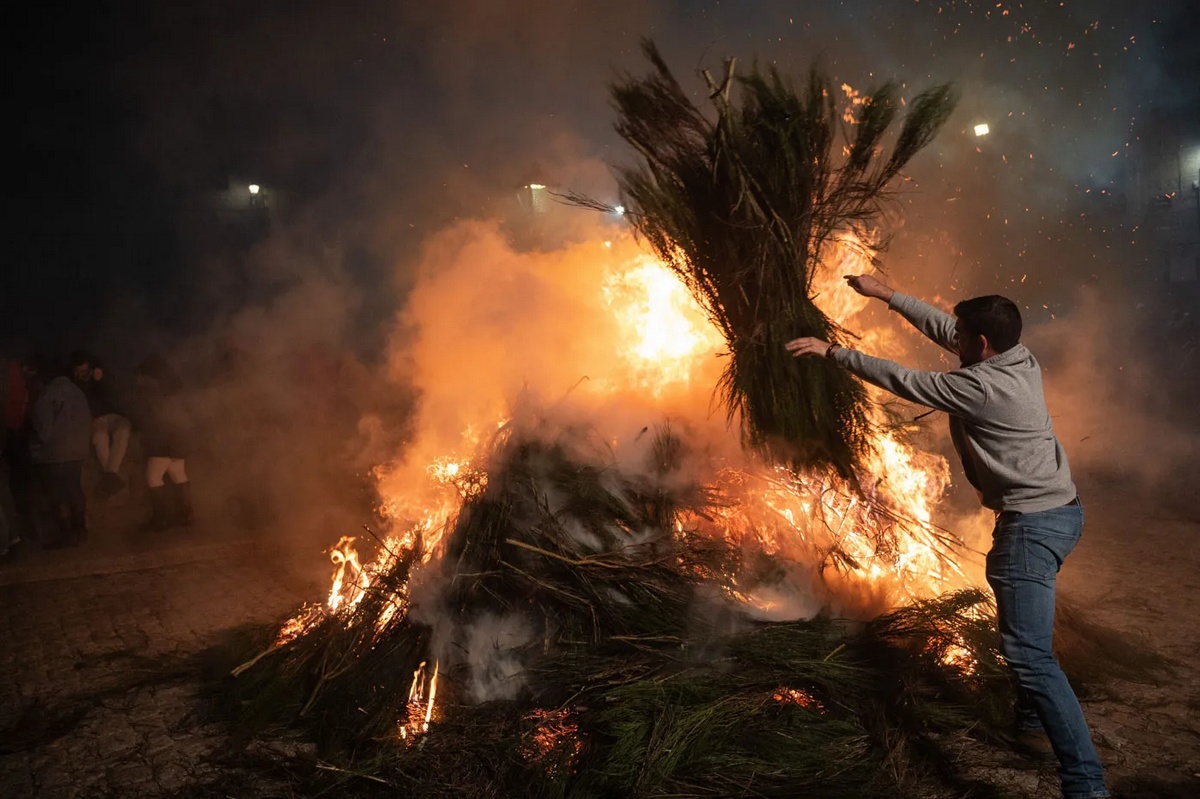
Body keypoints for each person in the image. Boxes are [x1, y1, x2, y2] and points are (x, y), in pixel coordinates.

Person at [786, 274, 1108, 799]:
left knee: (1029, 654)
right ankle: (1030, 725)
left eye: (961, 337)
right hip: (1063, 512)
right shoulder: (1018, 358)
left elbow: (903, 379)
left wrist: (832, 352)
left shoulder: (977, 388)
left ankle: (1087, 785)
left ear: (980, 345)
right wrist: (888, 296)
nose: (952, 339)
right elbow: (946, 329)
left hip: (1031, 527)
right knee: (1027, 632)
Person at [26, 356, 93, 548]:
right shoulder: (77, 391)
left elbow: (43, 430)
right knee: (74, 489)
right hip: (78, 451)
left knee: (58, 495)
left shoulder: (48, 394)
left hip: (55, 453)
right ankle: (81, 530)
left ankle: (67, 535)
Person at [132, 355, 193, 530]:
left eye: (140, 374)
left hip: (161, 442)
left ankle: (160, 520)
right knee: (178, 475)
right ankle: (186, 516)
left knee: (153, 479)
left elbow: (145, 416)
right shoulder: (176, 388)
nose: (138, 378)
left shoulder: (150, 391)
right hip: (179, 441)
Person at [70, 349, 132, 498]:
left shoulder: (105, 376)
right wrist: (90, 419)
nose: (81, 376)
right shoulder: (75, 386)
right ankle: (112, 477)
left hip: (117, 415)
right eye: (78, 373)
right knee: (99, 437)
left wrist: (101, 380)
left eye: (84, 372)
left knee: (123, 431)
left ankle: (109, 477)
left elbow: (117, 395)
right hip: (97, 418)